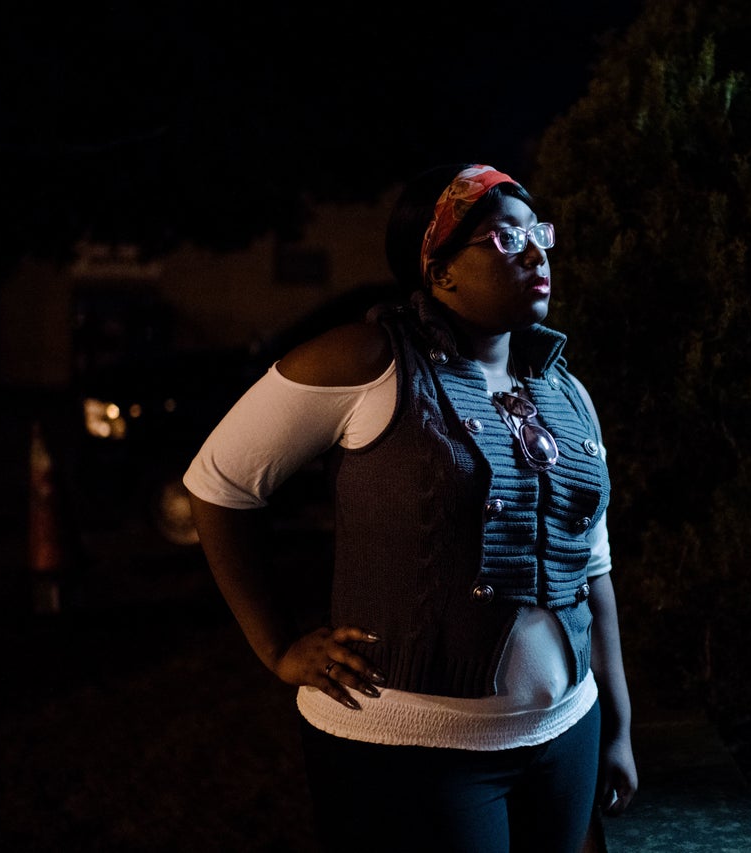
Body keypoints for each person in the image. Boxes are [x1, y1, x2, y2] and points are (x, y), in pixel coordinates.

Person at [184, 163, 637, 852]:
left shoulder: (565, 391)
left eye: (537, 232)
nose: (538, 251)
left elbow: (593, 566)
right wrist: (277, 644)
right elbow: (219, 482)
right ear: (440, 270)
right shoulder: (368, 361)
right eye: (505, 238)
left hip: (564, 736)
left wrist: (618, 725)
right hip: (411, 750)